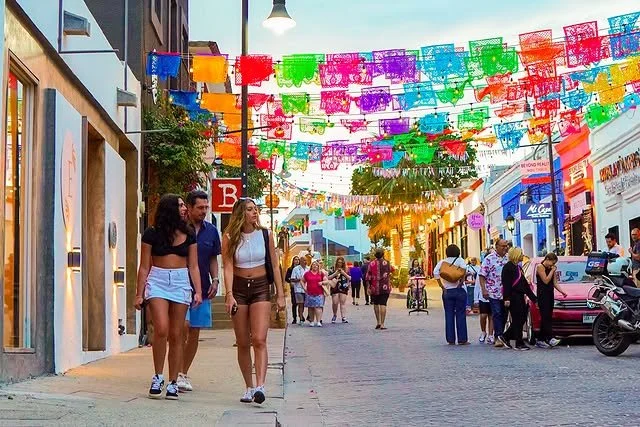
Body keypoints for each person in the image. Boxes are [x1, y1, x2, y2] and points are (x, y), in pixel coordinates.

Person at [135, 194, 203, 400]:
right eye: (181, 205)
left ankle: (173, 381)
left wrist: (198, 290)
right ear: (170, 209)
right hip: (158, 280)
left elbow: (193, 265)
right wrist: (139, 294)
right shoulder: (151, 233)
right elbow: (144, 265)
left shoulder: (189, 233)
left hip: (181, 281)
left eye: (184, 205)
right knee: (161, 328)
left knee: (177, 333)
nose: (184, 209)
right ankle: (158, 376)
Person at [222, 198, 285, 405]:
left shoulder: (266, 234)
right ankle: (248, 386)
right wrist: (229, 293)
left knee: (259, 339)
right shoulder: (230, 236)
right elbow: (228, 266)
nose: (255, 213)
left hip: (260, 288)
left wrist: (281, 294)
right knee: (242, 342)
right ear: (241, 213)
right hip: (239, 289)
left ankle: (260, 386)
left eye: (256, 210)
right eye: (250, 210)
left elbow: (275, 266)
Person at [178, 190, 221, 393]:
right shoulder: (178, 229)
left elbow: (213, 258)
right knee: (182, 327)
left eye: (206, 207)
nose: (204, 211)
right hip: (178, 286)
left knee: (194, 330)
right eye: (200, 208)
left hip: (202, 288)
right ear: (190, 206)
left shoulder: (211, 231)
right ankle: (175, 371)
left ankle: (183, 372)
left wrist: (216, 280)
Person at [501, 247, 538, 350]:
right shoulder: (508, 268)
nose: (523, 255)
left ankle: (505, 336)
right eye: (521, 253)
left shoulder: (518, 268)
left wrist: (534, 299)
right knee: (517, 320)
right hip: (513, 297)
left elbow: (525, 285)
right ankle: (519, 342)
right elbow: (506, 284)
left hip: (520, 297)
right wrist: (506, 298)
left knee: (521, 319)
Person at [433, 245, 469, 345]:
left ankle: (450, 339)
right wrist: (461, 282)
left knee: (449, 315)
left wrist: (442, 286)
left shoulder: (442, 262)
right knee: (461, 314)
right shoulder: (460, 260)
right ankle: (462, 339)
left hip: (447, 291)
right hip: (459, 290)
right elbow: (465, 269)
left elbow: (435, 272)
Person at [479, 239, 509, 348]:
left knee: (504, 314)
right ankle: (498, 337)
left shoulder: (509, 258)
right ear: (496, 246)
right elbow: (482, 275)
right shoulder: (489, 259)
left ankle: (502, 335)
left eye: (506, 245)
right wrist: (484, 289)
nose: (505, 248)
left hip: (506, 293)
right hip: (493, 292)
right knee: (496, 313)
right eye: (503, 246)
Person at [535, 252, 568, 348]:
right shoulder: (540, 267)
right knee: (545, 316)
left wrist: (562, 292)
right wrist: (552, 271)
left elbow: (554, 282)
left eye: (554, 264)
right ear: (547, 259)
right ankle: (549, 338)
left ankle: (541, 339)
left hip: (550, 294)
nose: (552, 265)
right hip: (542, 295)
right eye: (552, 263)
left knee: (548, 317)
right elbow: (545, 280)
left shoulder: (551, 269)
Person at [365, 248, 394, 330]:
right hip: (385, 287)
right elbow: (392, 270)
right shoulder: (387, 263)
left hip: (374, 287)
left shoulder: (371, 264)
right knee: (383, 304)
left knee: (376, 304)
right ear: (383, 254)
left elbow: (368, 276)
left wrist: (368, 287)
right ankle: (382, 324)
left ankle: (378, 322)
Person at [301, 260, 328, 326]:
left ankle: (318, 321)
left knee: (318, 307)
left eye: (316, 265)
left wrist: (322, 282)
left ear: (318, 266)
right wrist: (304, 288)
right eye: (313, 265)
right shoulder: (307, 274)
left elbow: (326, 281)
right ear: (311, 266)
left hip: (319, 293)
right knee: (311, 307)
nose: (315, 266)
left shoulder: (321, 273)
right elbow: (302, 281)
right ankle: (312, 321)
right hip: (310, 293)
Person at [328, 257, 351, 323]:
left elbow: (349, 278)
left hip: (343, 287)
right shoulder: (332, 269)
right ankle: (334, 315)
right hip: (335, 286)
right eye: (338, 262)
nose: (340, 264)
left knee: (342, 302)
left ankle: (343, 317)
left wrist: (343, 273)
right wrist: (335, 273)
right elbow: (328, 277)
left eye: (341, 262)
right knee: (335, 302)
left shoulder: (346, 269)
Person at [473, 271, 494, 344]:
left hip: (493, 296)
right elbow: (477, 286)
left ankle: (491, 335)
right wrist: (476, 299)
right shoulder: (481, 272)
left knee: (491, 316)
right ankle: (483, 331)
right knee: (483, 315)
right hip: (482, 297)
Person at [290, 257, 309, 325]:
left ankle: (306, 316)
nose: (305, 261)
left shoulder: (308, 268)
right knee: (300, 304)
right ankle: (301, 318)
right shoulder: (296, 269)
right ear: (300, 261)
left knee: (305, 304)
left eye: (306, 260)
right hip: (298, 289)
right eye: (304, 260)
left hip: (307, 289)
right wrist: (299, 279)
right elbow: (292, 279)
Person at [284, 256, 300, 324]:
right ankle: (294, 318)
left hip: (300, 287)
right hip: (293, 288)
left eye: (298, 260)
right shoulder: (290, 269)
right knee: (294, 303)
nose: (297, 261)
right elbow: (286, 278)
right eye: (295, 260)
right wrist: (290, 280)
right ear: (293, 261)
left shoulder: (300, 269)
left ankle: (301, 316)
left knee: (301, 303)